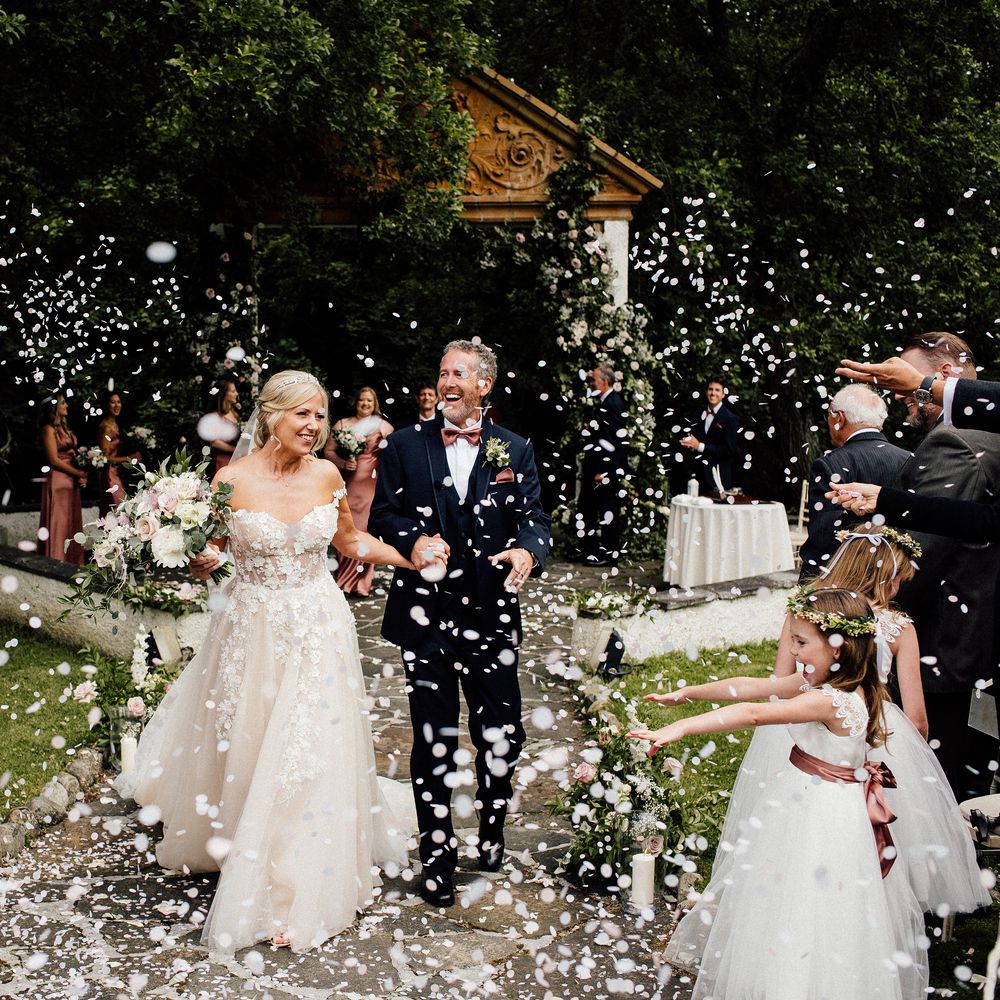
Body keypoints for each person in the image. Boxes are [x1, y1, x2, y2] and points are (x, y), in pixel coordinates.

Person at [116, 370, 423, 954]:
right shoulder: (230, 480)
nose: (314, 426)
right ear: (271, 415)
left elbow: (351, 543)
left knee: (306, 748)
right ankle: (243, 842)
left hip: (317, 626)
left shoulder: (327, 475)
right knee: (251, 741)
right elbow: (208, 551)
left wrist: (410, 556)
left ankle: (296, 882)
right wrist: (198, 560)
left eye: (320, 415)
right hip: (250, 627)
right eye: (302, 414)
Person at [628, 589, 929, 1000]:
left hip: (823, 817)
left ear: (838, 648)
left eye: (801, 642)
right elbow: (751, 687)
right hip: (805, 800)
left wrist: (681, 727)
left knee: (807, 904)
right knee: (782, 896)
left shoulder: (834, 701)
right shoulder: (831, 683)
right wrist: (690, 693)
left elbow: (755, 713)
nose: (792, 651)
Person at [370, 339, 551, 908]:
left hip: (492, 616)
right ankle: (437, 858)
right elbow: (382, 515)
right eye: (443, 372)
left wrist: (527, 551)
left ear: (483, 385)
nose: (447, 382)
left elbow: (535, 519)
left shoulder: (514, 449)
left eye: (459, 374)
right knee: (434, 740)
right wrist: (414, 540)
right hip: (425, 619)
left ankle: (492, 829)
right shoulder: (403, 445)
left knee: (503, 734)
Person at [836, 334, 1000, 798]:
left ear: (945, 375)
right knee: (969, 789)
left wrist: (846, 606)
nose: (900, 398)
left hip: (942, 651)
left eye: (907, 386)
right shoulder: (992, 435)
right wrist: (887, 500)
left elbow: (912, 559)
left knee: (931, 791)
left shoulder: (955, 442)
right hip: (978, 652)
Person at [797, 384, 909, 580]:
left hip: (846, 578)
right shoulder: (909, 459)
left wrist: (807, 586)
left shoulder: (830, 465)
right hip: (897, 575)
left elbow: (823, 536)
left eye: (828, 415)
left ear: (839, 418)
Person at [322, 387, 394, 597]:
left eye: (369, 401)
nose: (365, 404)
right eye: (362, 400)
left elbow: (394, 453)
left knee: (365, 530)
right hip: (347, 483)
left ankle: (362, 584)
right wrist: (343, 462)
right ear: (356, 402)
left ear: (374, 404)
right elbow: (328, 451)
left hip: (370, 485)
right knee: (346, 527)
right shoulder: (343, 424)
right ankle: (344, 581)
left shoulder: (383, 426)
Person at [572, 363, 626, 567]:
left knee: (607, 510)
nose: (591, 383)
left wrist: (603, 471)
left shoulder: (614, 403)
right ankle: (589, 550)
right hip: (594, 467)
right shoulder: (604, 401)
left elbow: (612, 441)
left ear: (604, 381)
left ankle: (610, 554)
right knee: (586, 508)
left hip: (604, 470)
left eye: (593, 379)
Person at [38, 394, 86, 564]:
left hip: (71, 481)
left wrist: (81, 471)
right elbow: (54, 460)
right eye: (63, 403)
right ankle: (57, 559)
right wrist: (78, 473)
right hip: (58, 480)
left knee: (71, 521)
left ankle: (74, 562)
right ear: (55, 407)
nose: (66, 405)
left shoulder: (65, 428)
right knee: (60, 521)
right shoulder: (48, 429)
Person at [678, 374, 739, 493]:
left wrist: (699, 446)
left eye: (717, 390)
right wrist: (689, 444)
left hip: (718, 480)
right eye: (710, 389)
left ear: (723, 394)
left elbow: (728, 451)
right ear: (706, 392)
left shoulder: (730, 418)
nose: (713, 393)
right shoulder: (697, 414)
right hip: (696, 479)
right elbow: (694, 439)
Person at [96, 391, 140, 516]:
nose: (116, 406)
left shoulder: (116, 425)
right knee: (117, 509)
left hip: (117, 472)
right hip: (109, 474)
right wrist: (129, 458)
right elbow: (105, 458)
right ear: (107, 405)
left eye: (119, 402)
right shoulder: (106, 427)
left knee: (121, 510)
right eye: (112, 402)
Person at [205, 379, 241, 478]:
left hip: (235, 459)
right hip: (222, 460)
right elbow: (214, 442)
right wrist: (235, 449)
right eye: (233, 391)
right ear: (224, 394)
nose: (236, 394)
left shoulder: (233, 412)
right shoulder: (216, 415)